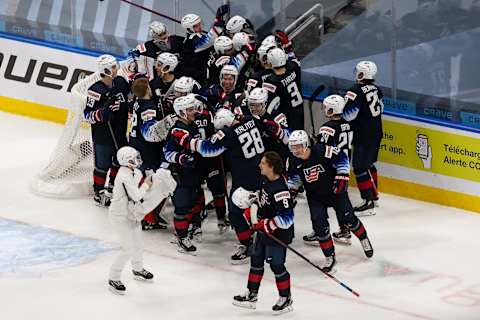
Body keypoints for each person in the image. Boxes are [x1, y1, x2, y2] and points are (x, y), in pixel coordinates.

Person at [170, 108, 265, 264]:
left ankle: (248, 245)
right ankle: (265, 237)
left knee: (235, 213)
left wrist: (186, 141)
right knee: (261, 208)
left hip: (245, 178)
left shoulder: (227, 134)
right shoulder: (250, 120)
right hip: (263, 171)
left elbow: (207, 149)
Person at [287, 130, 374, 272]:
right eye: (293, 146)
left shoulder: (321, 150)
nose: (295, 150)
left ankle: (363, 238)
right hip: (315, 197)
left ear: (306, 144)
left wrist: (342, 176)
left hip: (335, 193)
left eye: (298, 146)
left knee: (349, 219)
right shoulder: (292, 161)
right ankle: (329, 256)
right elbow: (294, 180)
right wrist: (291, 192)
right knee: (319, 226)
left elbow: (342, 157)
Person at [232, 151, 294, 314]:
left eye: (263, 163)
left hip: (278, 234)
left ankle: (286, 298)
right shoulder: (267, 180)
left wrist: (265, 224)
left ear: (271, 167)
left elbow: (287, 218)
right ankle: (251, 294)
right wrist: (254, 202)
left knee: (276, 266)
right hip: (264, 231)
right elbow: (265, 201)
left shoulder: (281, 190)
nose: (259, 165)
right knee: (256, 260)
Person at [305, 94, 354, 245]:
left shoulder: (328, 127)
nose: (325, 109)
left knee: (318, 198)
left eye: (327, 107)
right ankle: (345, 229)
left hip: (330, 168)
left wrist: (315, 143)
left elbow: (323, 149)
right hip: (344, 166)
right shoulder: (348, 124)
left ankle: (320, 230)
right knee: (340, 198)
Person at [83, 54, 130, 207]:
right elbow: (87, 115)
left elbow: (130, 99)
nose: (117, 69)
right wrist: (103, 113)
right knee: (102, 166)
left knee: (118, 162)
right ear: (107, 70)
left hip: (120, 132)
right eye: (114, 67)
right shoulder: (95, 90)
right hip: (102, 136)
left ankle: (112, 188)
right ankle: (98, 192)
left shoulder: (121, 82)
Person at [108, 146, 154, 294]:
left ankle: (138, 269)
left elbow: (138, 187)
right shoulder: (123, 176)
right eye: (134, 158)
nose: (138, 160)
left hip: (131, 214)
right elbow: (136, 195)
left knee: (138, 244)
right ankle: (113, 277)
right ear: (126, 161)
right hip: (119, 216)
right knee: (127, 248)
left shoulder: (136, 172)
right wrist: (147, 184)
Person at [163, 94, 203, 253]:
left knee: (194, 200)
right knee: (182, 206)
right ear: (181, 112)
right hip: (179, 174)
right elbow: (167, 153)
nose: (194, 111)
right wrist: (181, 158)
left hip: (192, 172)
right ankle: (182, 237)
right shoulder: (177, 129)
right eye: (190, 109)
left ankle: (190, 228)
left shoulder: (192, 125)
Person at [343, 61, 383, 216]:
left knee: (360, 167)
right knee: (369, 163)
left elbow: (349, 115)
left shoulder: (355, 91)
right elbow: (381, 108)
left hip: (362, 134)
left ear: (361, 74)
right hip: (376, 131)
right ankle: (374, 195)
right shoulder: (377, 89)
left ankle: (368, 202)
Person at [262, 47, 304, 130]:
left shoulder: (271, 81)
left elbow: (269, 104)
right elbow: (293, 59)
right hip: (299, 109)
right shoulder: (293, 67)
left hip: (287, 115)